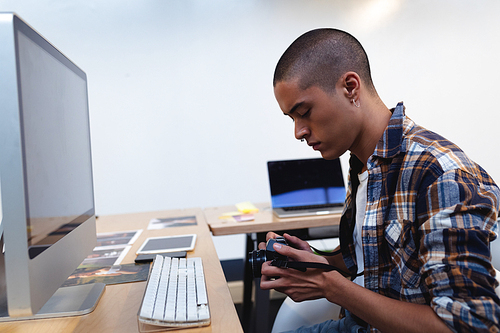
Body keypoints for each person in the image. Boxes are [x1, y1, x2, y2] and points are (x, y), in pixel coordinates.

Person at [259, 28, 500, 333]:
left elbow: (469, 325)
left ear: (350, 88)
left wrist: (332, 286)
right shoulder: (361, 161)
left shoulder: (440, 174)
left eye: (304, 112)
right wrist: (320, 262)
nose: (299, 132)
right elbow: (377, 257)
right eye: (292, 119)